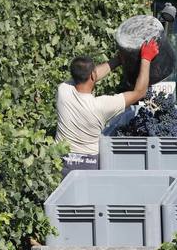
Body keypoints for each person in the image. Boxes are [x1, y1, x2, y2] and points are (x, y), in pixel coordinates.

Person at [56, 39, 159, 175]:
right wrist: (146, 59)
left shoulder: (63, 91)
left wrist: (118, 60)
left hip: (60, 161)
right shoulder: (101, 106)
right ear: (92, 75)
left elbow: (90, 75)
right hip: (87, 166)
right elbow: (139, 92)